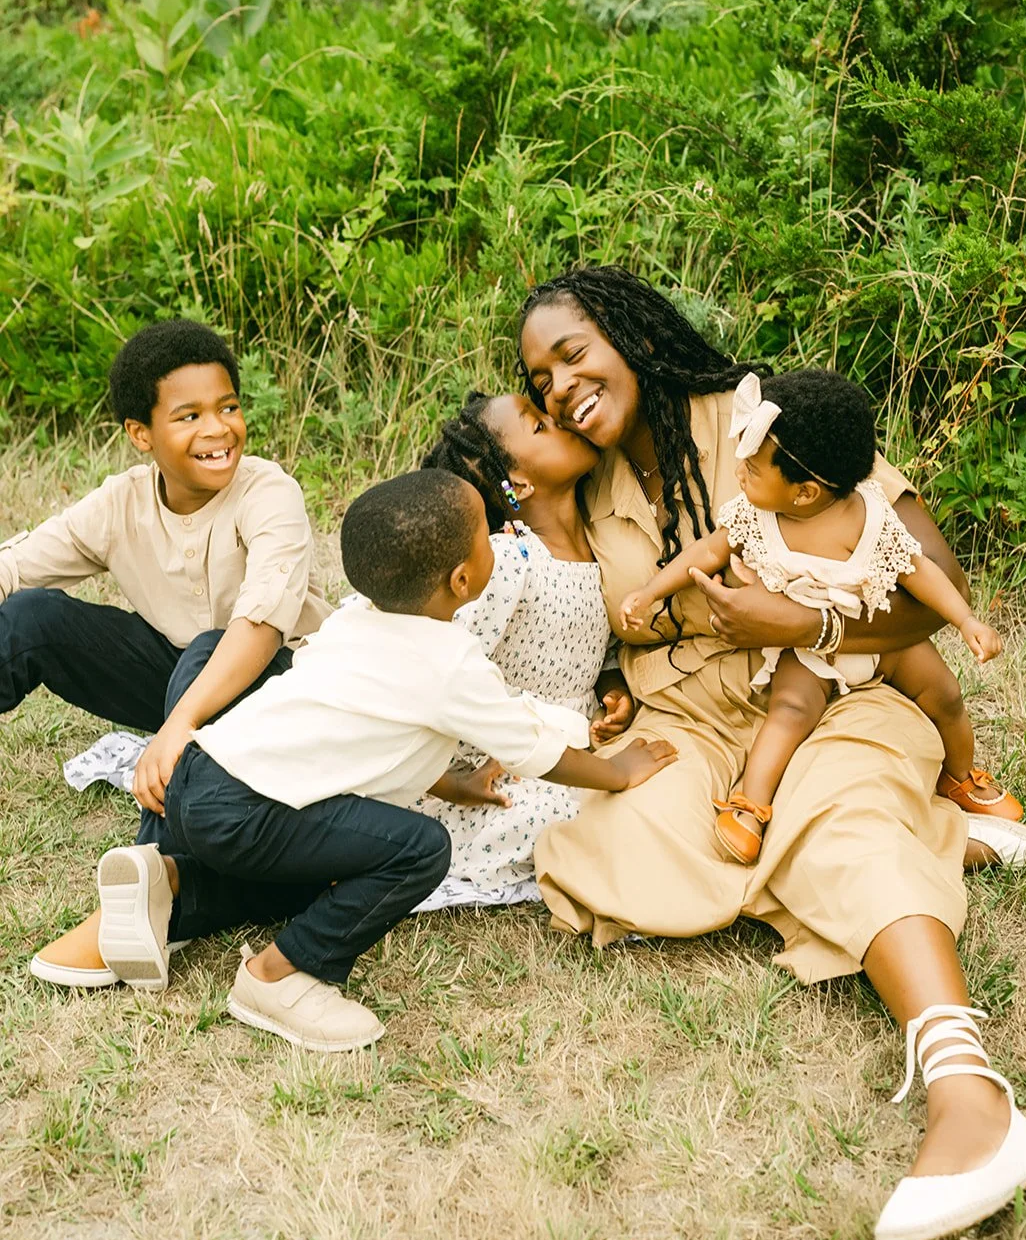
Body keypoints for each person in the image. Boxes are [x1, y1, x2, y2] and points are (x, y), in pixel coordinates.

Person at [518, 264, 1026, 1240]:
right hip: (686, 724)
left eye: (571, 354)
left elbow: (928, 579)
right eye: (539, 379)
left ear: (631, 331)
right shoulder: (582, 480)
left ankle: (968, 1096)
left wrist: (802, 610)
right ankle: (942, 838)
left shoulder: (758, 417)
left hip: (829, 694)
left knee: (838, 823)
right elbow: (607, 614)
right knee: (621, 845)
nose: (558, 387)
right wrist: (606, 678)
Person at [92, 469, 676, 1051]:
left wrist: (455, 784)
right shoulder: (451, 663)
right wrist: (616, 771)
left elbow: (370, 740)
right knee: (420, 849)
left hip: (200, 775)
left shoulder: (351, 621)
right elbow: (536, 749)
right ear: (465, 577)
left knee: (328, 850)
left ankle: (159, 875)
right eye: (485, 534)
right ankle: (279, 975)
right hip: (246, 811)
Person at [8, 319, 330, 988]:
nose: (218, 429)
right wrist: (179, 718)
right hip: (180, 675)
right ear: (141, 434)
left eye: (229, 407)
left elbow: (261, 627)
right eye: (189, 415)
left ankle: (151, 890)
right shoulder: (122, 501)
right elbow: (21, 565)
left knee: (209, 647)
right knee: (30, 617)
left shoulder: (267, 491)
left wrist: (177, 727)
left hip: (285, 687)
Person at [619, 367, 1009, 865]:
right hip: (807, 647)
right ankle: (751, 804)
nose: (739, 472)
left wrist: (965, 621)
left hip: (876, 637)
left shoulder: (870, 517)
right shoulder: (754, 517)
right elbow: (705, 552)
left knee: (946, 694)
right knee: (790, 711)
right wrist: (652, 590)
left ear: (805, 492)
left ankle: (962, 777)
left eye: (753, 469)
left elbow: (921, 572)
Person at [417, 391, 635, 906]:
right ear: (518, 483)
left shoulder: (599, 543)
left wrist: (613, 691)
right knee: (589, 809)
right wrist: (448, 781)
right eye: (539, 426)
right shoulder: (510, 560)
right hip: (496, 771)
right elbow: (432, 671)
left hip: (572, 742)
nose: (559, 420)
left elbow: (596, 650)